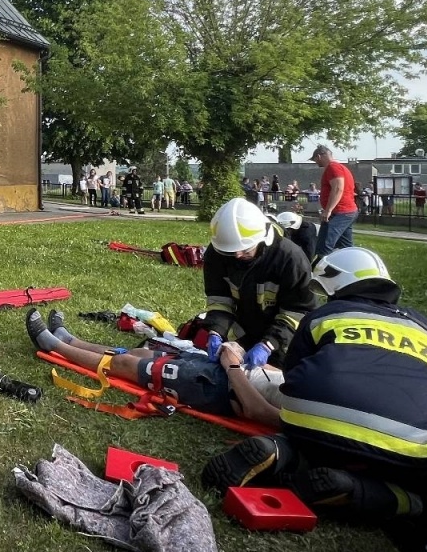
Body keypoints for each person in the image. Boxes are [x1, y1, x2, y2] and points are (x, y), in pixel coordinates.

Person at [202, 247, 427, 552]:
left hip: (307, 424)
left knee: (316, 440)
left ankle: (282, 451)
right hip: (403, 443)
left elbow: (295, 375)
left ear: (337, 287)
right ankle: (368, 491)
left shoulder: (322, 317)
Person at [23, 309, 285, 428]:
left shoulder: (305, 418)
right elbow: (270, 377)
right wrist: (241, 355)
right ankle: (71, 340)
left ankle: (54, 345)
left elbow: (256, 410)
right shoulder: (308, 384)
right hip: (223, 369)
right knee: (140, 354)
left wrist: (233, 366)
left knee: (126, 365)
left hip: (216, 388)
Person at [200, 198, 320, 370]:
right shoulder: (218, 253)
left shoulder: (290, 259)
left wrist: (268, 344)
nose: (237, 255)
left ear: (262, 239)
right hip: (243, 334)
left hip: (284, 341)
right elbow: (219, 300)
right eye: (231, 251)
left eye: (245, 249)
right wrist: (216, 330)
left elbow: (298, 311)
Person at [312, 144, 357, 256]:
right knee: (345, 247)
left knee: (324, 246)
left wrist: (328, 211)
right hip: (347, 212)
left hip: (340, 212)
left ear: (319, 156)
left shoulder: (333, 167)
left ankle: (321, 266)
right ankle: (350, 262)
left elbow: (338, 189)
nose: (315, 162)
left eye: (315, 159)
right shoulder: (340, 167)